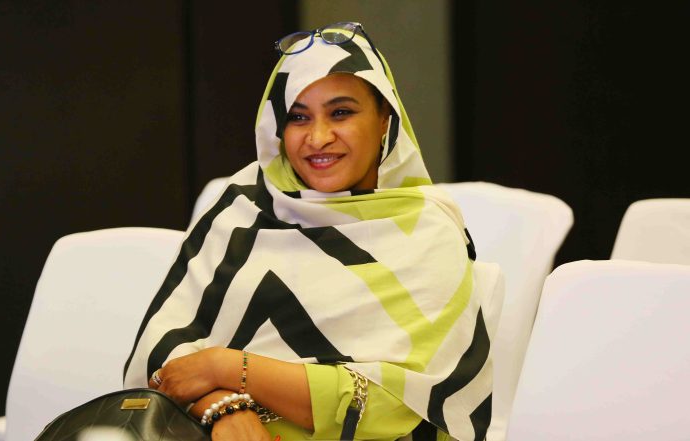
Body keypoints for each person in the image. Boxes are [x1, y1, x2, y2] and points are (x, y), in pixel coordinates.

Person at [124, 21, 498, 441]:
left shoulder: (426, 230)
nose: (318, 138)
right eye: (298, 117)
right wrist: (223, 406)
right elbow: (158, 355)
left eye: (341, 112)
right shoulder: (244, 208)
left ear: (384, 119)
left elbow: (406, 402)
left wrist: (227, 368)